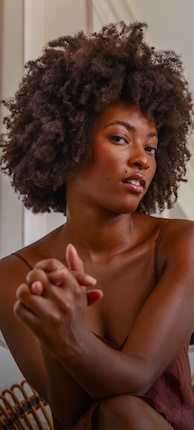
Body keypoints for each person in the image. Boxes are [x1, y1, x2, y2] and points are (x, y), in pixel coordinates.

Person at [0, 21, 194, 430]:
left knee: (121, 410)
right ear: (64, 142)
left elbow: (138, 378)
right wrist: (56, 338)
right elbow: (72, 418)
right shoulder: (14, 276)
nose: (143, 158)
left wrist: (68, 335)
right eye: (121, 138)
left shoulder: (181, 243)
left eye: (152, 146)